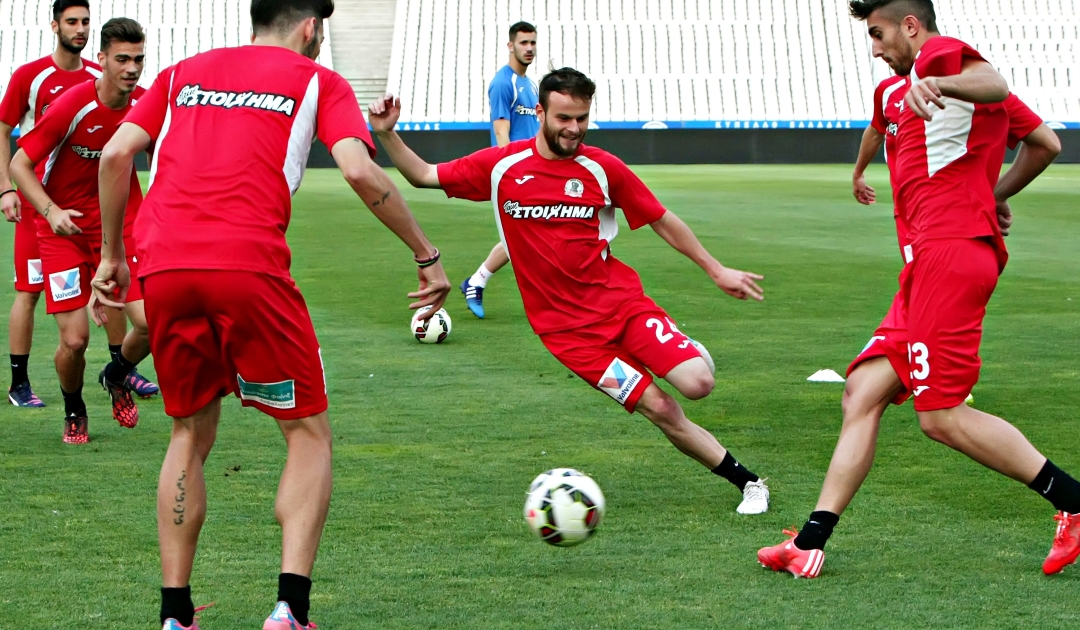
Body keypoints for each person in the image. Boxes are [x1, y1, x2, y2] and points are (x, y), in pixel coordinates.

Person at [90, 1, 450, 628]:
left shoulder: (181, 72)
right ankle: (290, 609)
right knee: (307, 434)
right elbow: (359, 169)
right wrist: (426, 253)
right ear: (311, 27)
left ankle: (175, 614)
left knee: (188, 434)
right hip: (248, 267)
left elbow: (115, 155)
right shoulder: (318, 80)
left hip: (167, 269)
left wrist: (111, 257)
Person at [757, 0, 1080, 579]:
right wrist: (990, 193)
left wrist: (939, 83)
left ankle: (1079, 502)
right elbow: (1043, 141)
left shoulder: (940, 59)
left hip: (951, 254)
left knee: (941, 416)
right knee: (862, 392)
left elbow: (994, 83)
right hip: (925, 265)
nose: (875, 49)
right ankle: (809, 542)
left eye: (878, 35)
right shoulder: (897, 93)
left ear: (911, 26)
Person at [368, 67, 773, 516]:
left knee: (698, 384)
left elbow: (660, 218)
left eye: (582, 118)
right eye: (564, 118)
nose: (574, 128)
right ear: (540, 113)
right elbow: (424, 174)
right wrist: (386, 134)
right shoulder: (502, 167)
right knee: (660, 408)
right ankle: (749, 483)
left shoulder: (603, 168)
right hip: (571, 339)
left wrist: (716, 270)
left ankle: (679, 348)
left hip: (622, 307)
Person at [10, 17, 151, 442]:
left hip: (122, 228)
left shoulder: (146, 105)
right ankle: (74, 409)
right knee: (74, 341)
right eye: (122, 59)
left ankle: (116, 374)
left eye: (139, 59)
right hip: (64, 231)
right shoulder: (73, 104)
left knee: (152, 323)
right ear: (102, 59)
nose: (131, 68)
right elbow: (20, 164)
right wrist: (50, 211)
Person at [459, 21, 540, 318]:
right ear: (510, 45)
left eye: (532, 43)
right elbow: (501, 133)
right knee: (526, 233)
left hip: (535, 169)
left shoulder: (531, 85)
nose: (529, 48)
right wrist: (512, 171)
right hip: (517, 171)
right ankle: (477, 282)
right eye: (523, 43)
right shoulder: (503, 83)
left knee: (528, 233)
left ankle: (476, 282)